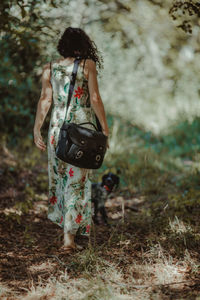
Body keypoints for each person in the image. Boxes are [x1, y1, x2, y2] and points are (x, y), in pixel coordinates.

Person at [33, 27, 109, 253]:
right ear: (83, 45)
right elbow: (94, 98)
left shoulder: (50, 68)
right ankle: (69, 240)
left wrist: (37, 129)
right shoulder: (88, 65)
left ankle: (68, 233)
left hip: (57, 129)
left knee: (60, 179)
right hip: (81, 130)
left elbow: (45, 100)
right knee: (77, 182)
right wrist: (104, 129)